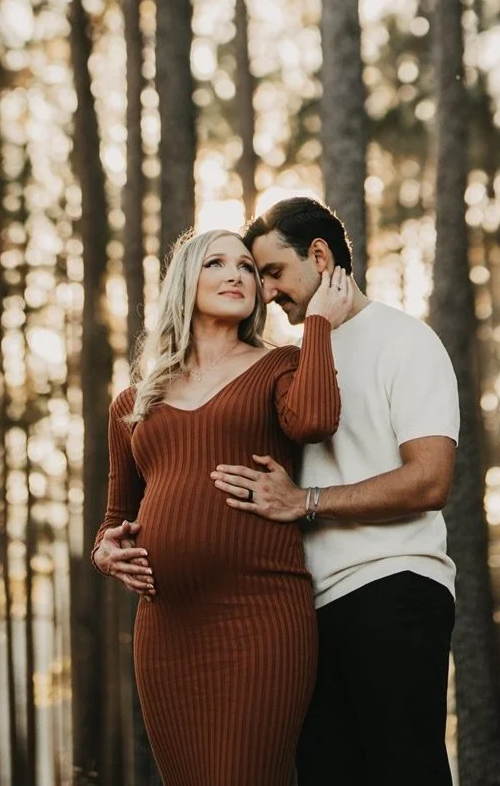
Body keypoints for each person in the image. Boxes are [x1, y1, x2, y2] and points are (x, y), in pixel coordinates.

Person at [212, 195, 460, 786]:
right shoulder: (296, 362)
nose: (266, 293)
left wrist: (308, 502)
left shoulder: (406, 340)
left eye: (273, 272)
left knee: (405, 770)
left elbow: (430, 478)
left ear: (319, 256)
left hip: (394, 585)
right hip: (306, 609)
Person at [92, 225, 350, 786]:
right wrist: (105, 554)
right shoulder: (134, 403)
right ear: (186, 281)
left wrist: (319, 326)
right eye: (216, 263)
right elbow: (115, 520)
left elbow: (314, 420)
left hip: (261, 613)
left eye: (247, 268)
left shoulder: (278, 364)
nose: (236, 274)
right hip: (166, 626)